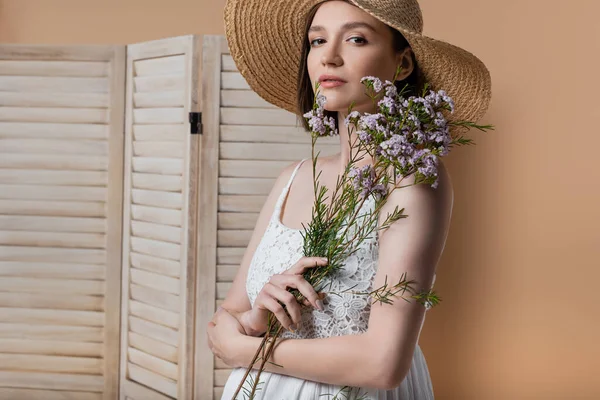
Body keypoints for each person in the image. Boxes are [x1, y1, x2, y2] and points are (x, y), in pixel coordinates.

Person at [207, 0, 492, 398]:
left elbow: (384, 363)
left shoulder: (412, 182)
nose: (329, 56)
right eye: (317, 40)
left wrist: (250, 349)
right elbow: (226, 321)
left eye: (356, 39)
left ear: (403, 64)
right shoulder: (292, 178)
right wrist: (258, 317)